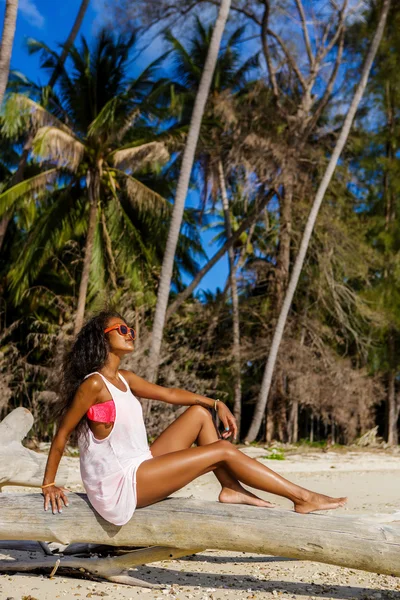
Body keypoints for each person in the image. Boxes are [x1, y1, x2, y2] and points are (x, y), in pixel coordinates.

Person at [42, 309, 347, 526]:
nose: (130, 333)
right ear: (102, 339)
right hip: (120, 484)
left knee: (199, 415)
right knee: (223, 450)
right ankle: (302, 496)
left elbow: (170, 395)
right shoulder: (94, 383)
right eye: (122, 330)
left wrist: (214, 403)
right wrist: (49, 484)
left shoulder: (126, 377)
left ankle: (231, 488)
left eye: (131, 329)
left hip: (139, 464)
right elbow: (62, 433)